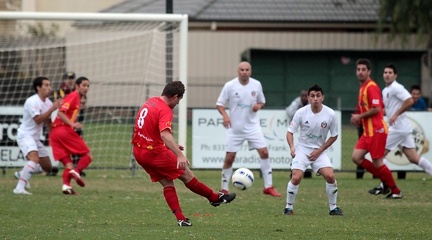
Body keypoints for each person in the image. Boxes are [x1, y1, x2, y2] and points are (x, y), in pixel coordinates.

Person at [132, 81, 236, 227]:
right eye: (179, 100)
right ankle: (214, 198)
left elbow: (148, 130)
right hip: (154, 153)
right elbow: (165, 135)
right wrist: (179, 154)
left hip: (139, 152)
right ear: (175, 96)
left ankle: (181, 219)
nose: (178, 103)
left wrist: (171, 146)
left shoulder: (150, 102)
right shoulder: (165, 109)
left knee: (167, 182)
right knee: (187, 175)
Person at [216, 61, 281, 197]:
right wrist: (225, 116)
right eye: (242, 70)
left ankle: (268, 187)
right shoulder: (230, 85)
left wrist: (259, 106)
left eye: (247, 70)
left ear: (250, 72)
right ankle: (224, 189)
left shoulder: (256, 84)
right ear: (238, 71)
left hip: (252, 127)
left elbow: (262, 101)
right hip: (235, 129)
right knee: (229, 158)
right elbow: (219, 104)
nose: (244, 72)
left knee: (264, 152)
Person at [367, 64, 432, 195]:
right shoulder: (386, 90)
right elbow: (386, 108)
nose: (387, 74)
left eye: (390, 72)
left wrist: (396, 114)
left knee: (378, 155)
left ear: (395, 75)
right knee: (414, 158)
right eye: (385, 72)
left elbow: (409, 100)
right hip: (403, 129)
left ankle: (384, 185)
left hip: (398, 128)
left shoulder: (397, 87)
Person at [283, 84, 343, 216]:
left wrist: (320, 151)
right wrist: (292, 148)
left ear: (323, 97)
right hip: (302, 150)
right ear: (308, 98)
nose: (315, 98)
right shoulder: (301, 112)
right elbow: (290, 132)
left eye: (318, 96)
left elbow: (334, 135)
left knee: (330, 176)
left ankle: (333, 208)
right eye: (312, 96)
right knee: (296, 177)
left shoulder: (330, 114)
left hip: (319, 151)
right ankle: (288, 208)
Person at [350, 58, 402, 199]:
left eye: (363, 70)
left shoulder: (371, 86)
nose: (360, 72)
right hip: (368, 132)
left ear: (369, 72)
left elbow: (377, 109)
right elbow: (363, 106)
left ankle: (395, 190)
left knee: (377, 161)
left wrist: (359, 116)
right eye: (358, 69)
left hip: (377, 130)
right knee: (356, 157)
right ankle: (385, 181)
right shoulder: (362, 88)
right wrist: (357, 115)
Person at [13, 77, 61, 195]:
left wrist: (54, 136)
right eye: (46, 85)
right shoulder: (32, 101)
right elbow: (38, 120)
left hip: (34, 137)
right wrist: (52, 109)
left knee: (47, 167)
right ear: (38, 87)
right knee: (34, 159)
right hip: (25, 135)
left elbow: (49, 121)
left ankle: (21, 174)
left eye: (49, 85)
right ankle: (19, 188)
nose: (49, 88)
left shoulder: (48, 102)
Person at [50, 77, 92, 195]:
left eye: (88, 86)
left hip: (55, 133)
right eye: (84, 85)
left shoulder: (77, 98)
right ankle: (77, 171)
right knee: (88, 155)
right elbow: (61, 112)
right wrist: (72, 124)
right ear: (77, 86)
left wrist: (72, 123)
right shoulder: (74, 95)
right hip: (64, 130)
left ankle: (66, 187)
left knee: (68, 163)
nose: (86, 88)